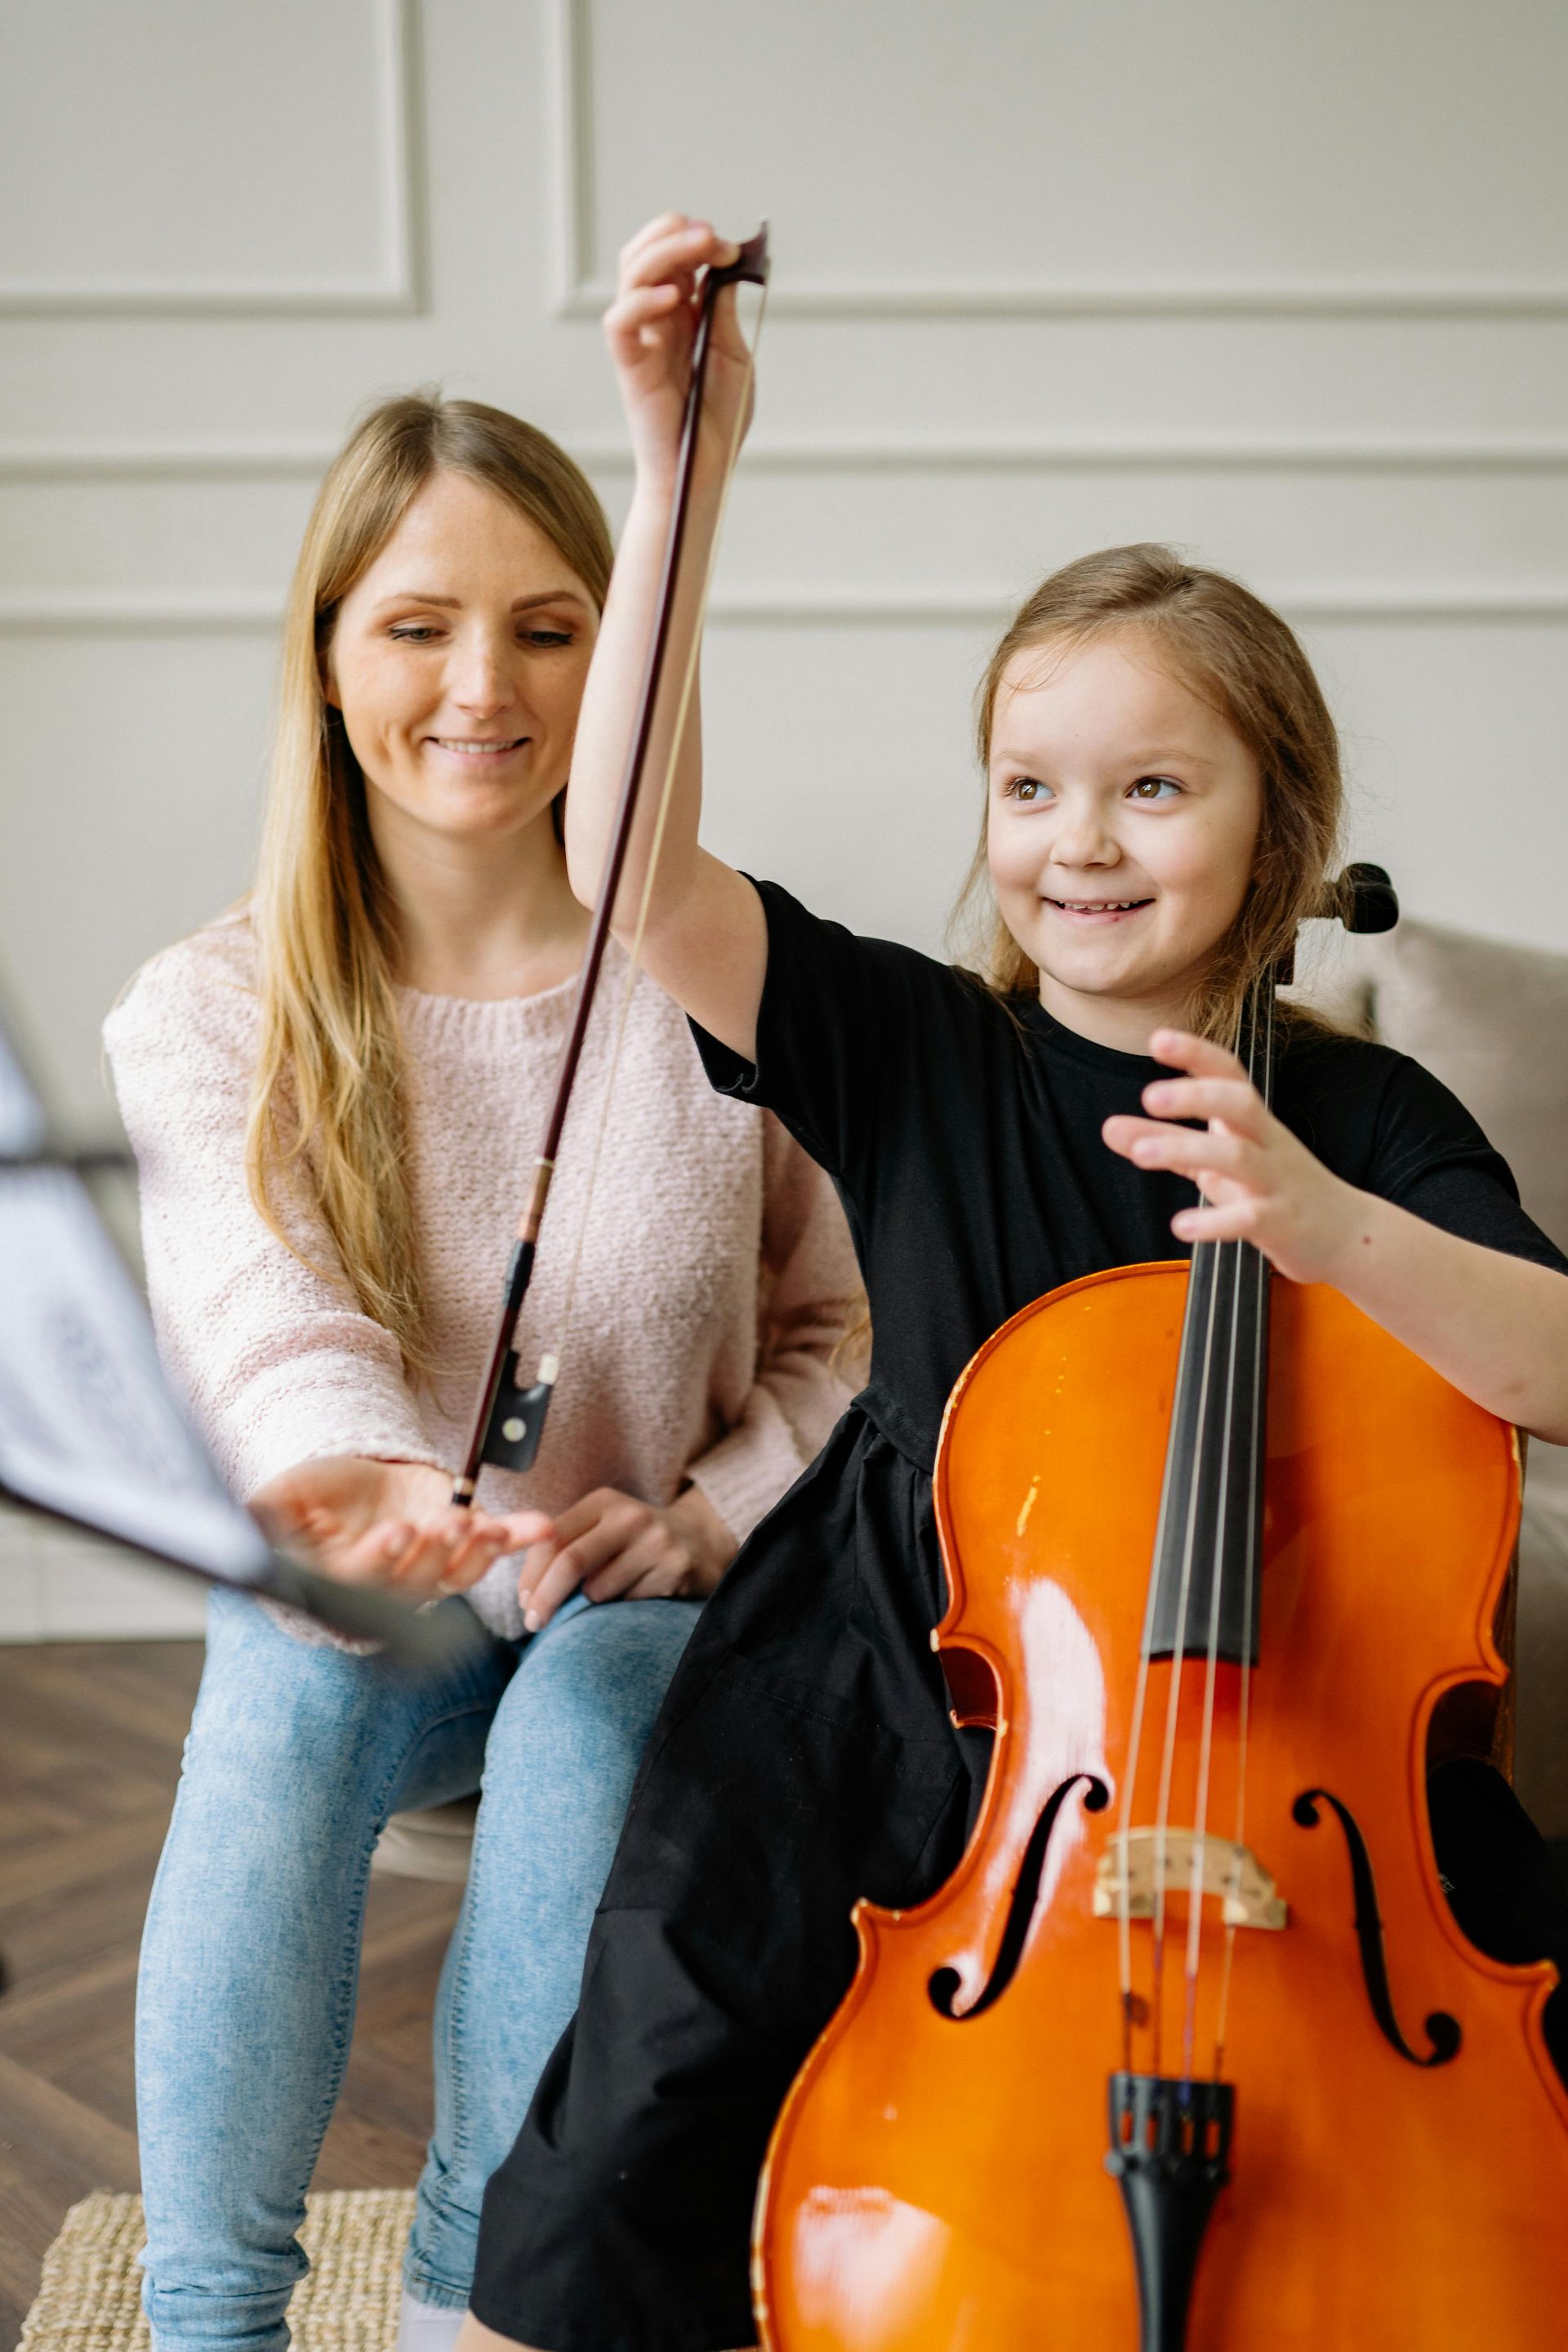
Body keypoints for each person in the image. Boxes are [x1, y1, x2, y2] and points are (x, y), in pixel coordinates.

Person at [446, 219, 1568, 2352]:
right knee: (655, 2074)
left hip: (1285, 1735)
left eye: (1156, 787)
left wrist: (1332, 1230)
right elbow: (621, 874)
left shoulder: (1367, 1113)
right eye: (1034, 786)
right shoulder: (913, 1044)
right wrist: (682, 469)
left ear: (1275, 822)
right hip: (899, 1666)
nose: (1083, 839)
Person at [104, 389, 859, 2352]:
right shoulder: (209, 1009)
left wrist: (713, 1512)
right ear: (331, 653)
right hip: (387, 1590)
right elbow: (258, 1307)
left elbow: (849, 1324)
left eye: (548, 626)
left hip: (644, 1591)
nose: (482, 684)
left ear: (611, 662)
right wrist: (368, 1484)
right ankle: (207, 2324)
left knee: (595, 1718)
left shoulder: (729, 978)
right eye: (419, 623)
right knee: (274, 1681)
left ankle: (473, 2296)